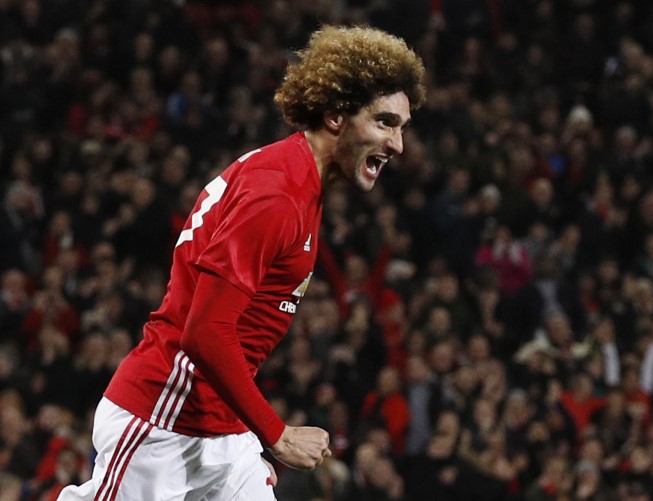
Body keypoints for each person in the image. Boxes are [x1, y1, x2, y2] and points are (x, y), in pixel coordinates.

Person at [57, 24, 426, 501]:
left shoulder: (296, 180)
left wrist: (249, 433)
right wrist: (278, 435)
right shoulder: (278, 194)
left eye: (401, 127)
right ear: (336, 116)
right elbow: (205, 332)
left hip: (222, 430)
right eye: (384, 122)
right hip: (164, 423)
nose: (397, 144)